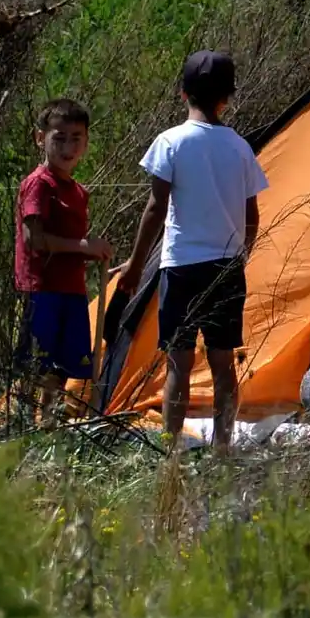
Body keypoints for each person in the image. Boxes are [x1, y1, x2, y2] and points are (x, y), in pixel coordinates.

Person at [114, 50, 268, 455]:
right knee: (222, 365)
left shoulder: (170, 142)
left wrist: (134, 264)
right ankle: (222, 449)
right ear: (227, 98)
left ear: (183, 94)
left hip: (181, 267)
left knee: (178, 366)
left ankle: (170, 453)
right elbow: (253, 213)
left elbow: (155, 208)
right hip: (226, 268)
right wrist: (242, 255)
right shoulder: (239, 147)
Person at [13, 98, 113, 428]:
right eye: (59, 138)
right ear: (40, 138)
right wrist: (83, 246)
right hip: (42, 289)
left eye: (76, 138)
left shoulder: (78, 192)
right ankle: (23, 426)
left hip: (71, 290)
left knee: (60, 367)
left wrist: (92, 254)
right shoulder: (39, 184)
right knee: (36, 364)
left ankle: (48, 427)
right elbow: (35, 239)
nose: (68, 147)